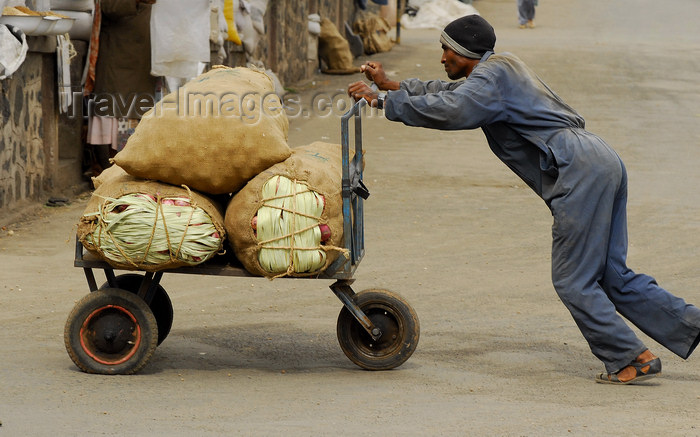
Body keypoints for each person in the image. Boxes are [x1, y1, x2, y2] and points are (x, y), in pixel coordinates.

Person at [347, 14, 700, 385]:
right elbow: (449, 92)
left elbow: (455, 109)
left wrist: (386, 102)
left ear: (465, 52)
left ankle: (631, 357)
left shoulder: (490, 79)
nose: (442, 58)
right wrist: (391, 85)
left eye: (446, 50)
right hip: (599, 159)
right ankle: (691, 326)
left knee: (572, 280)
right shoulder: (497, 68)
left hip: (577, 169)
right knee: (613, 275)